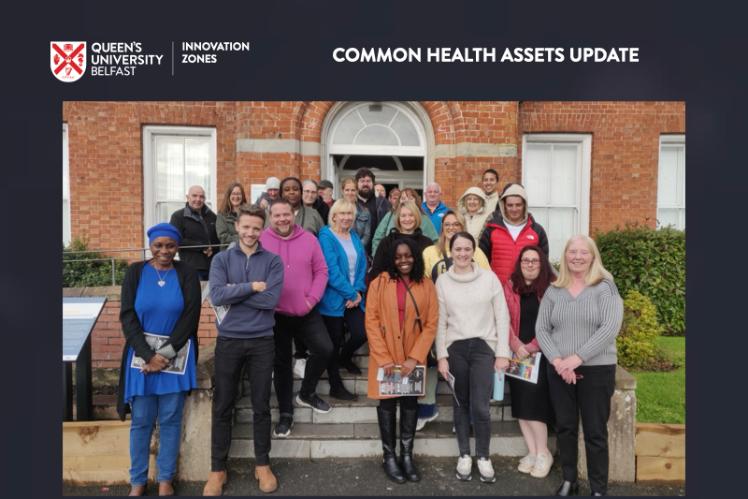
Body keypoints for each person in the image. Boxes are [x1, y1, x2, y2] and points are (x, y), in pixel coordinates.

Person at [204, 206, 285, 495]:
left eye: (256, 228)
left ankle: (262, 465)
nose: (250, 233)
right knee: (223, 405)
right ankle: (217, 469)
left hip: (262, 340)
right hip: (229, 340)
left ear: (262, 230)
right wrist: (251, 286)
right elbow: (216, 295)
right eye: (246, 227)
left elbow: (271, 300)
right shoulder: (222, 259)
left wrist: (235, 292)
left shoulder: (273, 261)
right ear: (237, 226)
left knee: (261, 405)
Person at [535, 235, 624, 496]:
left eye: (583, 252)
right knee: (565, 427)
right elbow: (542, 328)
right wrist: (558, 360)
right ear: (565, 257)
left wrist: (577, 358)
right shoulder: (554, 290)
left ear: (593, 256)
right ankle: (569, 480)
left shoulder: (605, 287)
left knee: (595, 431)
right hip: (559, 369)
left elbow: (609, 327)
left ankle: (598, 488)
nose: (577, 256)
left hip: (597, 370)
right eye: (572, 252)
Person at [117, 223, 201, 497]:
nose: (164, 251)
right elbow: (127, 316)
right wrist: (148, 355)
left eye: (170, 246)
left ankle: (166, 479)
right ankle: (137, 481)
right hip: (141, 360)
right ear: (150, 245)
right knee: (140, 420)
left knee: (170, 420)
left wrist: (163, 355)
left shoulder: (186, 273)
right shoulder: (135, 272)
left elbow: (191, 317)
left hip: (175, 359)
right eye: (158, 245)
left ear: (177, 247)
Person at [435, 231, 511, 484]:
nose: (463, 254)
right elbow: (440, 323)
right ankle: (464, 455)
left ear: (474, 250)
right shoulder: (443, 282)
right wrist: (442, 356)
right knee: (461, 403)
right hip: (455, 348)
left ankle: (483, 456)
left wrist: (502, 353)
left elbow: (502, 316)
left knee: (480, 406)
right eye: (458, 249)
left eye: (467, 249)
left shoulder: (489, 279)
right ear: (450, 250)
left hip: (482, 348)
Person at [366, 238, 438, 484]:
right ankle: (389, 457)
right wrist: (384, 358)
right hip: (384, 355)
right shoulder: (379, 283)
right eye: (398, 257)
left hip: (412, 355)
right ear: (391, 259)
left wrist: (414, 358)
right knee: (387, 404)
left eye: (408, 255)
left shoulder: (426, 284)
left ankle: (407, 456)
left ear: (415, 257)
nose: (404, 260)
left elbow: (431, 324)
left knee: (409, 404)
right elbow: (372, 322)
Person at [259, 199, 332, 437]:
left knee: (324, 349)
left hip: (306, 310)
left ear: (294, 214)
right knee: (281, 365)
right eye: (277, 215)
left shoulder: (309, 239)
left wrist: (312, 299)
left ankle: (306, 393)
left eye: (286, 214)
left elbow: (321, 271)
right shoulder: (261, 240)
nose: (282, 219)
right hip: (275, 314)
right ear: (270, 217)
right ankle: (286, 414)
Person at [417, 211, 490, 431]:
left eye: (455, 223)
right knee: (431, 360)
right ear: (442, 228)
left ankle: (466, 416)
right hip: (436, 313)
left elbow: (487, 281)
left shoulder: (474, 252)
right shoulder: (430, 251)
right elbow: (423, 281)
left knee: (462, 367)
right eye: (447, 224)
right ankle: (427, 408)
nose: (451, 227)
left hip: (466, 318)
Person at [503, 246, 556, 478]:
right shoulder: (509, 286)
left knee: (535, 409)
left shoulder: (552, 288)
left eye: (535, 260)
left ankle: (544, 453)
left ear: (542, 263)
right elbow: (502, 317)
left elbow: (553, 322)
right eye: (526, 260)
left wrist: (532, 347)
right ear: (520, 263)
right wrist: (516, 345)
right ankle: (532, 452)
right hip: (517, 355)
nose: (530, 264)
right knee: (521, 408)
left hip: (541, 355)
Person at [318, 199, 368, 398]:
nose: (347, 217)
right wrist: (351, 293)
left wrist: (358, 292)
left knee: (360, 334)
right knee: (333, 341)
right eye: (343, 213)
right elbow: (331, 271)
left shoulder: (354, 236)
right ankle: (335, 386)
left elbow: (362, 266)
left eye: (350, 214)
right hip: (332, 300)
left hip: (353, 297)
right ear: (334, 216)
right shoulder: (326, 236)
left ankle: (344, 358)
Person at [480, 183, 549, 285]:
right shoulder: (491, 229)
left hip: (528, 291)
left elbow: (543, 264)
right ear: (503, 205)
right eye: (510, 205)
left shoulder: (537, 231)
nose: (514, 209)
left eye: (518, 205)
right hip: (498, 290)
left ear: (524, 205)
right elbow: (482, 262)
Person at [369, 200, 434, 282]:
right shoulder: (387, 242)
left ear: (417, 217)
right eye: (403, 216)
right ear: (398, 218)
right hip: (391, 289)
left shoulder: (427, 243)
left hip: (419, 289)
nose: (407, 219)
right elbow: (377, 270)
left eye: (411, 215)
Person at [169, 185, 220, 280]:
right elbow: (175, 240)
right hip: (191, 267)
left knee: (212, 295)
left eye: (201, 197)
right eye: (194, 196)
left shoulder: (212, 216)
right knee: (195, 294)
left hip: (213, 266)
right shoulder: (178, 216)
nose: (198, 199)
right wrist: (201, 247)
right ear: (187, 197)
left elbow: (217, 239)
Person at [371, 188, 438, 255]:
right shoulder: (390, 215)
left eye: (410, 198)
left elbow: (434, 242)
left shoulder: (424, 218)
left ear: (416, 200)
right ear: (399, 201)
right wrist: (377, 256)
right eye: (403, 198)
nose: (407, 201)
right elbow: (377, 238)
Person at [354, 167, 390, 255]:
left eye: (368, 181)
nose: (365, 184)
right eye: (362, 181)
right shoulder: (351, 202)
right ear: (357, 184)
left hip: (379, 250)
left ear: (373, 183)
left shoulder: (382, 202)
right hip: (356, 250)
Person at [341, 176, 372, 249]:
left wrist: (356, 247)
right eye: (347, 190)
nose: (350, 193)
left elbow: (366, 235)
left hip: (359, 249)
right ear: (342, 191)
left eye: (353, 190)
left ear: (357, 191)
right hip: (340, 249)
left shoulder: (365, 211)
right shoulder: (335, 209)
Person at [216, 181, 248, 246]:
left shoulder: (248, 213)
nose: (236, 196)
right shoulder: (222, 215)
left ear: (242, 196)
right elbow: (223, 237)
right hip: (229, 251)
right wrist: (242, 237)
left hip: (247, 249)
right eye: (233, 194)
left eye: (238, 194)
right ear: (229, 196)